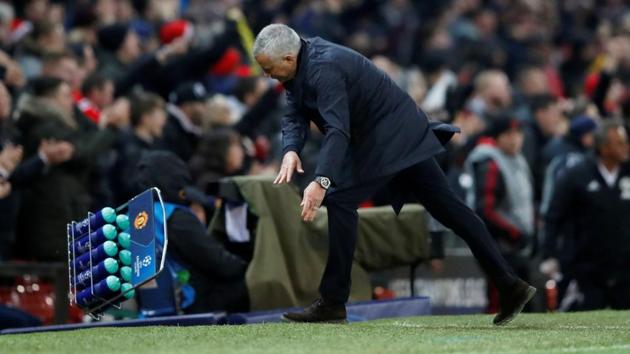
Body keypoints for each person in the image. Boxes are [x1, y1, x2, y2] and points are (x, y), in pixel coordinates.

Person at [253, 24, 535, 325]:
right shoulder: (299, 64)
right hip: (399, 134)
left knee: (338, 201)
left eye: (269, 69)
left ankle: (333, 302)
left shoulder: (324, 67)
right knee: (450, 210)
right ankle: (510, 286)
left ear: (287, 58)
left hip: (388, 140)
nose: (267, 76)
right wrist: (291, 150)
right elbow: (294, 113)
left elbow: (338, 130)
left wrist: (322, 181)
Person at [542, 120, 630, 310]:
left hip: (625, 266)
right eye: (620, 143)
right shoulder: (576, 175)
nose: (626, 147)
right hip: (586, 267)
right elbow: (554, 215)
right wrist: (549, 254)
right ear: (604, 148)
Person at [464, 115, 534, 313]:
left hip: (517, 245)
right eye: (508, 134)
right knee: (502, 301)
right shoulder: (490, 162)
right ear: (497, 137)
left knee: (523, 304)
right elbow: (485, 209)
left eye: (518, 133)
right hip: (499, 244)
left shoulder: (518, 160)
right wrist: (514, 233)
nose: (514, 139)